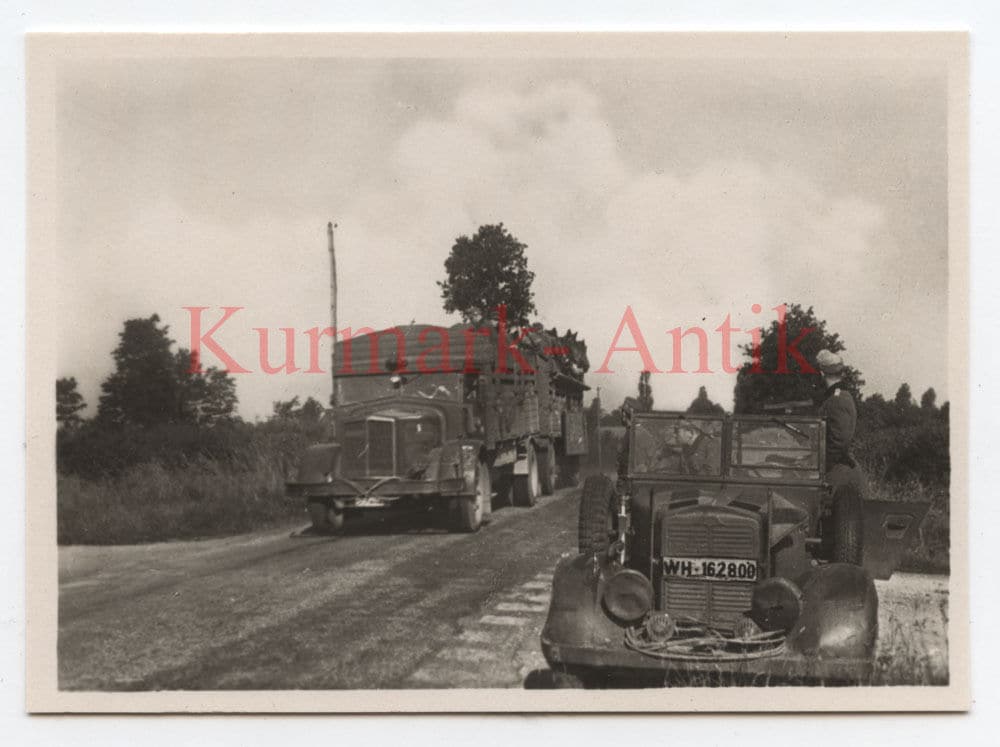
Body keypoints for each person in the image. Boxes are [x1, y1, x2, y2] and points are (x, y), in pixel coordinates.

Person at [814, 349, 865, 562]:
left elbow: (839, 441)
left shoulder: (838, 399)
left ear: (821, 373)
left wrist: (818, 466)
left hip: (837, 471)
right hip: (835, 468)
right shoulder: (836, 397)